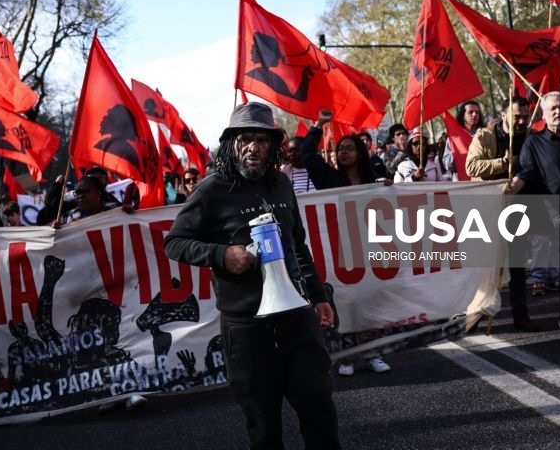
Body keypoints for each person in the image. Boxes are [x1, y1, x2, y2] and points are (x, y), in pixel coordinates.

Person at [164, 102, 340, 449]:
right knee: (263, 426)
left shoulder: (281, 185)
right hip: (247, 327)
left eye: (262, 140)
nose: (253, 147)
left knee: (319, 409)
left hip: (298, 319)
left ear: (273, 146)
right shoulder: (212, 189)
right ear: (231, 144)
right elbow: (175, 242)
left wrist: (318, 297)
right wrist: (221, 255)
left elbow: (298, 246)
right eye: (245, 139)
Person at [302, 112, 392, 376]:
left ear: (360, 153)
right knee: (347, 302)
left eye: (349, 149)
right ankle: (350, 356)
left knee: (371, 301)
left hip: (371, 247)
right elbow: (308, 154)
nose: (343, 152)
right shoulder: (329, 179)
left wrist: (389, 187)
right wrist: (318, 124)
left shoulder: (373, 179)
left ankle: (374, 353)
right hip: (340, 250)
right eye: (340, 149)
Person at [465, 97, 539, 332]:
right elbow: (472, 167)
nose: (521, 121)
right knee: (486, 265)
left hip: (517, 209)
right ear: (504, 113)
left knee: (517, 264)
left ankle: (521, 315)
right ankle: (474, 314)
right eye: (517, 116)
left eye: (525, 117)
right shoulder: (485, 136)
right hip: (488, 209)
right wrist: (503, 163)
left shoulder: (529, 138)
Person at [508, 91, 560, 334]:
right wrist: (514, 184)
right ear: (544, 114)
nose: (558, 111)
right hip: (555, 210)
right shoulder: (534, 143)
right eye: (553, 108)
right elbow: (527, 172)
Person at [443, 100, 485, 181]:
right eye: (470, 112)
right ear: (463, 116)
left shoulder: (486, 134)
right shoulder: (454, 138)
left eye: (477, 112)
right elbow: (447, 165)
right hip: (463, 184)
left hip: (483, 181)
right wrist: (457, 151)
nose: (475, 114)